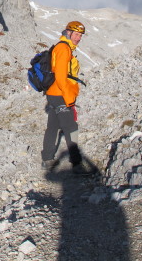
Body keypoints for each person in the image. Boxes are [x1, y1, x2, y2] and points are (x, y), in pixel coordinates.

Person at [41, 21, 93, 175]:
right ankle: (77, 164)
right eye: (76, 34)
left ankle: (47, 158)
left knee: (53, 126)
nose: (79, 38)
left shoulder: (65, 48)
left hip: (54, 93)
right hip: (60, 94)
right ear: (68, 33)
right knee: (71, 127)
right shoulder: (63, 49)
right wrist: (69, 99)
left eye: (81, 35)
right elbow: (61, 76)